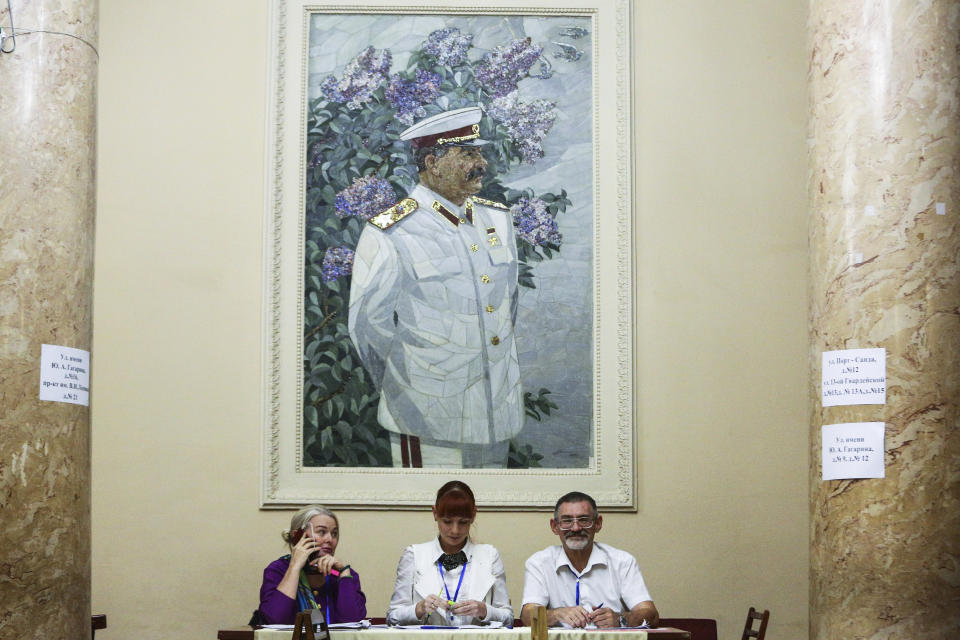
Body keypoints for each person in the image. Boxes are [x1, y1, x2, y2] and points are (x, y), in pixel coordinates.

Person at [349, 106, 523, 469]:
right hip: (427, 415)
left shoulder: (498, 219)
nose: (482, 164)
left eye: (479, 153)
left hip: (496, 410)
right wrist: (406, 386)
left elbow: (508, 305)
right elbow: (367, 327)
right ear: (433, 162)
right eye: (469, 154)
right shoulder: (392, 231)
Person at [520, 491, 659, 628]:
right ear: (555, 526)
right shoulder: (539, 562)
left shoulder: (622, 562)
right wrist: (556, 614)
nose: (575, 528)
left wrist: (621, 619)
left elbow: (650, 614)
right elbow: (527, 616)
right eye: (567, 520)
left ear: (598, 524)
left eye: (584, 520)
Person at [387, 480, 513, 626]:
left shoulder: (489, 556)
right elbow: (392, 617)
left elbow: (508, 617)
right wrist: (419, 608)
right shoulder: (414, 555)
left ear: (473, 516)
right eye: (447, 521)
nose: (455, 530)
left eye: (463, 522)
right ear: (435, 514)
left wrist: (484, 610)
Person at [256, 505, 366, 625]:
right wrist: (295, 566)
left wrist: (344, 573)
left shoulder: (342, 574)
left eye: (334, 534)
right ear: (297, 536)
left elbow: (352, 623)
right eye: (321, 532)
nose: (330, 539)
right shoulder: (278, 570)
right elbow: (275, 620)